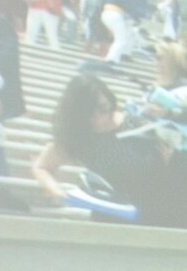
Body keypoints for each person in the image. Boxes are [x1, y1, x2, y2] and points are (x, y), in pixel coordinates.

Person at [31, 72, 187, 224]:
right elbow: (41, 166)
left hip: (164, 201)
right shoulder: (80, 139)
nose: (100, 118)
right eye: (91, 114)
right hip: (119, 213)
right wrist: (54, 189)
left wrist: (172, 157)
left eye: (104, 109)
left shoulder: (136, 120)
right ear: (78, 116)